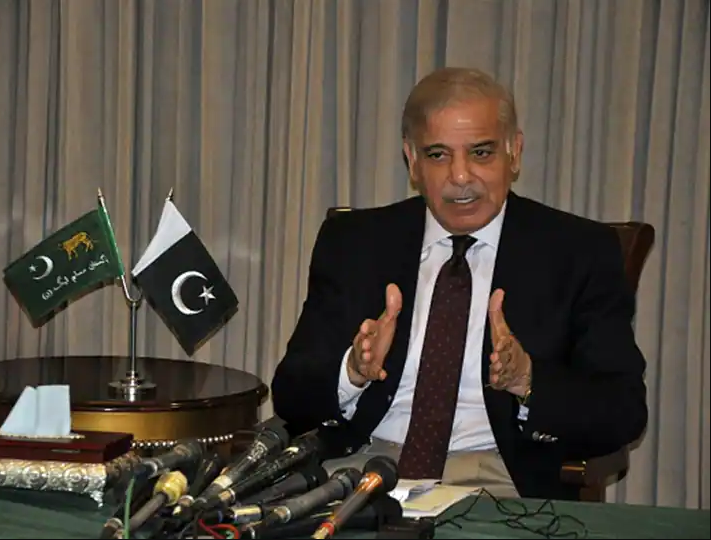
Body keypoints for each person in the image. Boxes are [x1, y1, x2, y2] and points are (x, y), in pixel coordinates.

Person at [270, 67, 648, 501]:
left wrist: (529, 381)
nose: (461, 175)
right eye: (438, 155)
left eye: (481, 153)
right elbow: (292, 394)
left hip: (499, 480)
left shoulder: (578, 252)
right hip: (363, 470)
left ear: (515, 153)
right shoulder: (355, 243)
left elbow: (622, 411)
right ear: (412, 161)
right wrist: (352, 371)